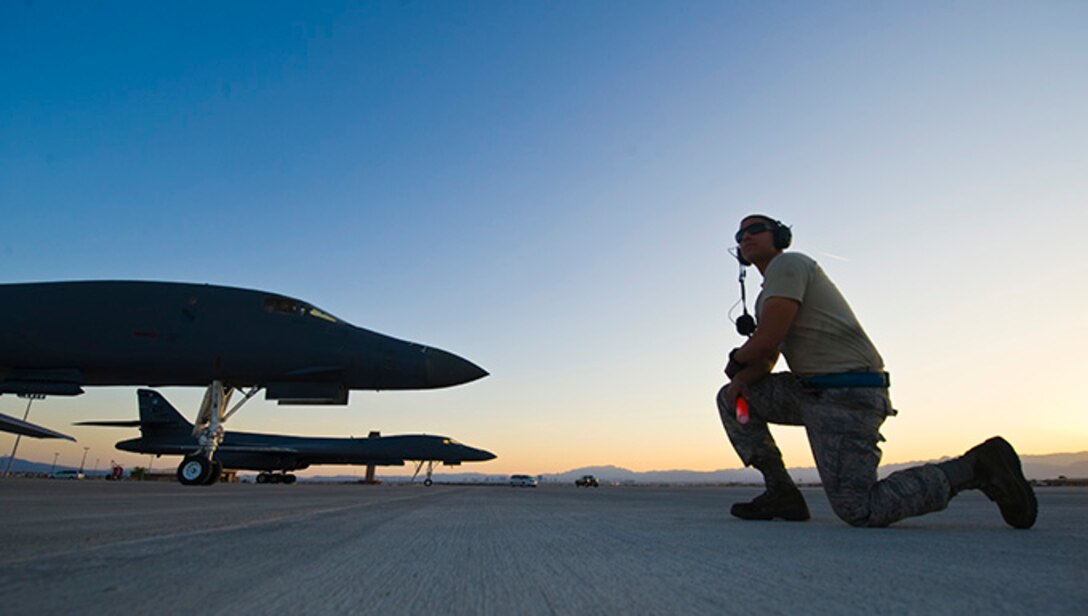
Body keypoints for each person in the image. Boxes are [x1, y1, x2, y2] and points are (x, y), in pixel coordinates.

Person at [717, 214, 1037, 528]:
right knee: (732, 398)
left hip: (847, 393)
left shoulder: (790, 264)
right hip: (810, 390)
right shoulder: (767, 295)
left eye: (755, 229)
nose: (744, 237)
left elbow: (766, 339)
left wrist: (738, 357)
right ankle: (780, 493)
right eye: (739, 235)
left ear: (780, 237)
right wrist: (742, 379)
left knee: (860, 508)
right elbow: (769, 353)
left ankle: (976, 466)